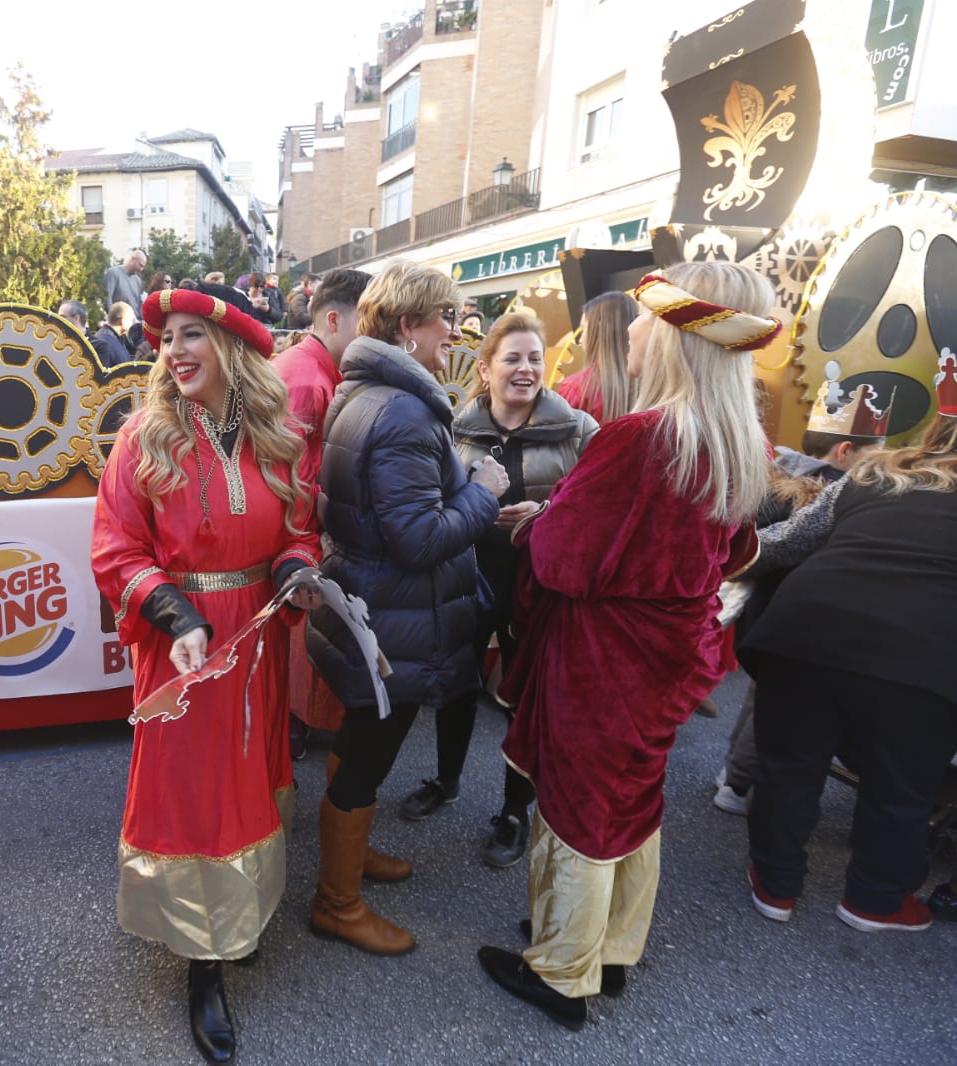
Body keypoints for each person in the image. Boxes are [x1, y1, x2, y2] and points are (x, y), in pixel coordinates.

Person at [478, 263, 773, 1030]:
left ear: (680, 337)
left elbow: (560, 562)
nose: (632, 329)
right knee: (632, 799)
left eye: (647, 317)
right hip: (670, 650)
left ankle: (561, 971)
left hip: (604, 654)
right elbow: (735, 551)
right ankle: (608, 948)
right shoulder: (731, 437)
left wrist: (543, 518)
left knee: (578, 807)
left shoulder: (639, 435)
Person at [91, 282, 320, 1064]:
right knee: (192, 797)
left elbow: (301, 530)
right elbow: (114, 552)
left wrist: (295, 572)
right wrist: (175, 617)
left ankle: (241, 915)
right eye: (165, 339)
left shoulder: (278, 436)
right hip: (182, 650)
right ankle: (200, 961)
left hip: (258, 642)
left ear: (233, 348)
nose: (174, 351)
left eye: (191, 334)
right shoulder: (141, 440)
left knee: (251, 777)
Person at [307, 262, 506, 958]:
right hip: (391, 620)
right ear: (406, 326)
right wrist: (482, 490)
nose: (454, 332)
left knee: (359, 746)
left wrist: (468, 494)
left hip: (373, 608)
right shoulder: (403, 409)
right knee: (368, 758)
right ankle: (335, 903)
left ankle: (349, 859)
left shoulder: (366, 391)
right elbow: (418, 538)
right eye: (444, 318)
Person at [738, 354, 957, 934]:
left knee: (788, 767)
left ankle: (774, 885)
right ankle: (875, 900)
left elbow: (786, 542)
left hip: (804, 633)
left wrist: (713, 553)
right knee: (901, 785)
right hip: (920, 659)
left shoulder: (873, 474)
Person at [397, 312, 597, 870]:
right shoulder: (455, 428)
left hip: (536, 585)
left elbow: (600, 509)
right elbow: (432, 498)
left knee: (522, 698)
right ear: (485, 369)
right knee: (456, 687)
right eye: (512, 358)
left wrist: (547, 513)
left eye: (535, 358)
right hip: (465, 577)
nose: (526, 369)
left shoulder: (579, 429)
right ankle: (446, 779)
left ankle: (514, 812)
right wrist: (471, 509)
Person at [714, 382, 889, 817]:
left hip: (766, 614)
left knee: (760, 698)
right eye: (875, 453)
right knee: (774, 707)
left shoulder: (777, 476)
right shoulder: (830, 495)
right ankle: (736, 785)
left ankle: (731, 770)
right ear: (845, 451)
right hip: (793, 620)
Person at [274, 268, 372, 756]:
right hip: (297, 542)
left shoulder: (307, 367)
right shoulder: (308, 382)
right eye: (367, 320)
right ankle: (290, 727)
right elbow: (287, 483)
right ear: (333, 319)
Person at [555, 291, 638, 425]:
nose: (580, 340)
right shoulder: (654, 380)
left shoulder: (576, 387)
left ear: (598, 330)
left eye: (583, 330)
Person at [91, 302, 137, 366]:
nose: (133, 323)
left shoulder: (118, 337)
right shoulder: (103, 342)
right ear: (122, 320)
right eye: (131, 319)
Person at [104, 248, 147, 313]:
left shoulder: (138, 281)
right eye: (140, 265)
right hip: (118, 320)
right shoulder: (114, 273)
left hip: (135, 321)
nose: (141, 269)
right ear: (133, 259)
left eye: (143, 267)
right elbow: (107, 299)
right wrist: (114, 318)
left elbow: (139, 304)